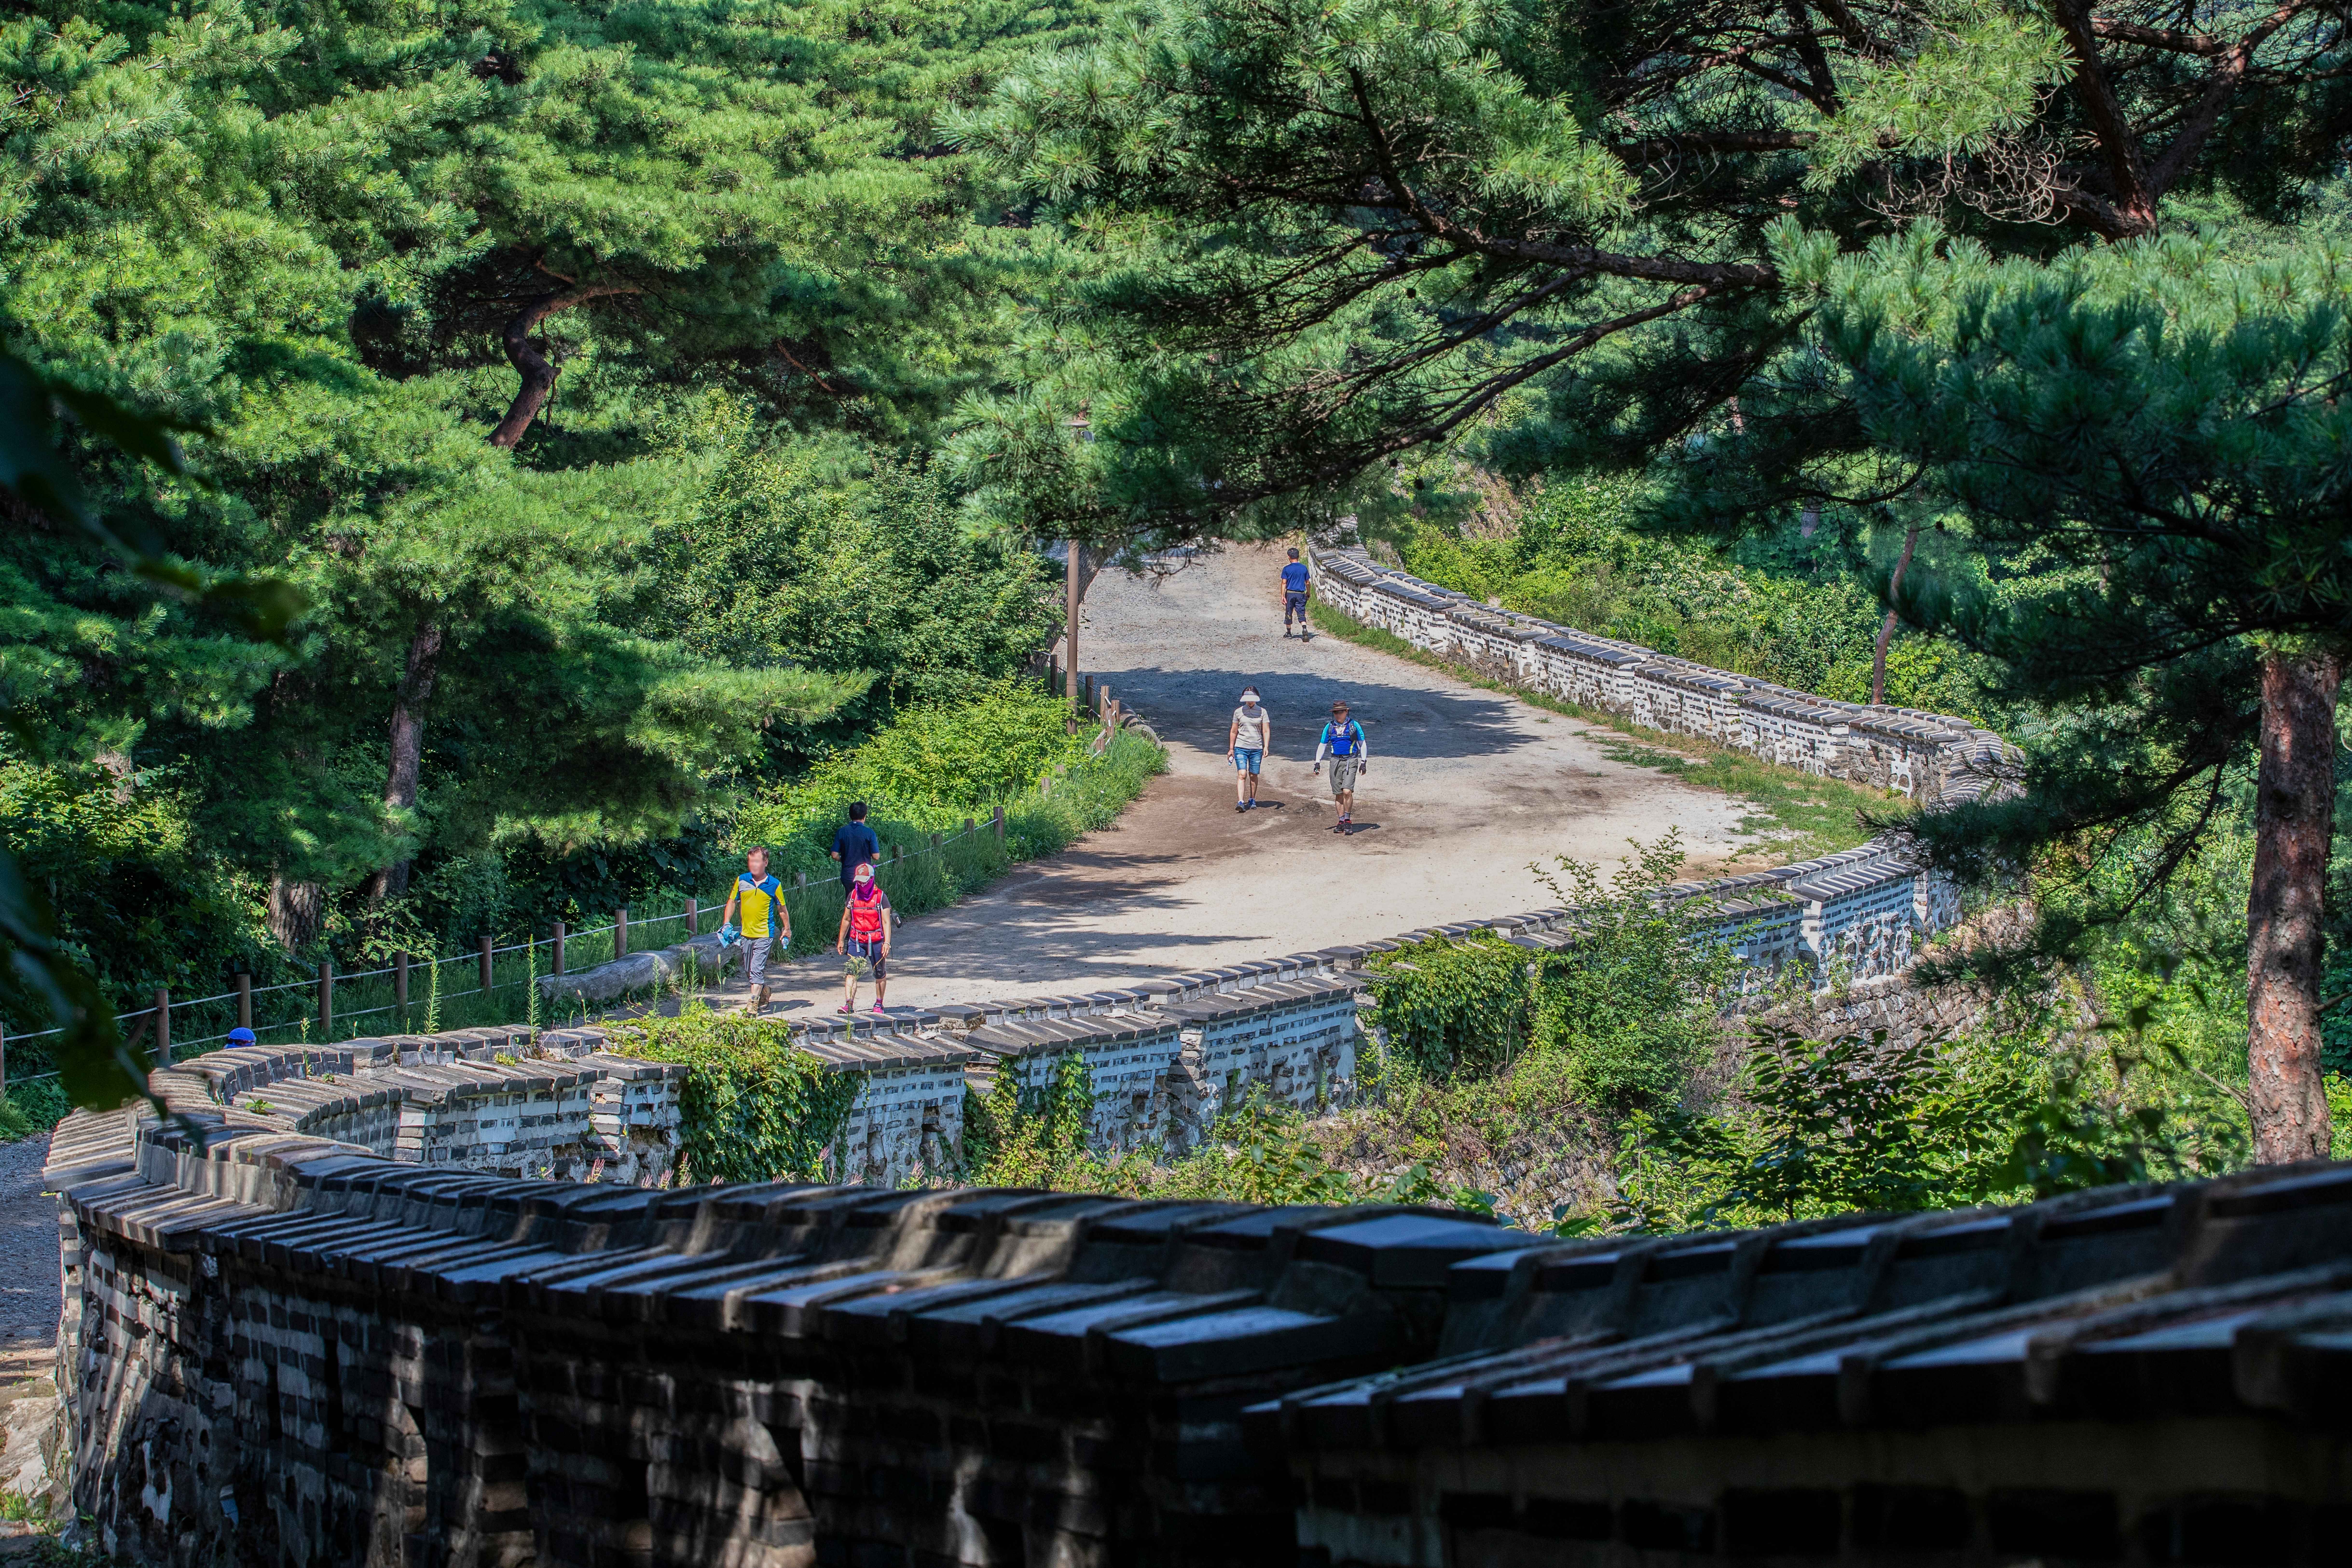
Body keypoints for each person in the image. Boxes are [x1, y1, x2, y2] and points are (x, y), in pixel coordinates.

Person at [719, 846, 789, 1014]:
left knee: (757, 969)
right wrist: (727, 923)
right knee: (750, 971)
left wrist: (787, 929)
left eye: (757, 861)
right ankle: (765, 991)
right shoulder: (742, 880)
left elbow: (782, 909)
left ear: (766, 862)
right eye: (751, 862)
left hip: (765, 934)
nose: (753, 865)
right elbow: (732, 901)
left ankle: (752, 1005)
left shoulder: (775, 884)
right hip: (745, 934)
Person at [836, 861, 893, 1014]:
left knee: (880, 972)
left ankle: (879, 1004)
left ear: (871, 880)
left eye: (864, 881)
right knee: (851, 972)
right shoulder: (853, 896)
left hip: (876, 940)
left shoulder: (881, 897)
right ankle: (849, 1005)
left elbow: (887, 922)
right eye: (858, 881)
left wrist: (887, 942)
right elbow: (847, 919)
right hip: (856, 940)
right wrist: (842, 940)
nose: (861, 884)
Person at [1314, 699, 1369, 832]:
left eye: (1340, 712)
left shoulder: (1354, 726)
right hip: (1335, 762)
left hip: (1351, 761)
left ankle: (1348, 820)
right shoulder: (1330, 727)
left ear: (1346, 712)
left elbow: (1363, 743)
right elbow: (1323, 745)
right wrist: (1317, 763)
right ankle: (1341, 821)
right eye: (1336, 713)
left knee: (1347, 791)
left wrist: (1364, 762)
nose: (1338, 715)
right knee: (1338, 794)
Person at [1227, 686, 1272, 812]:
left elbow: (1266, 730)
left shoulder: (1263, 712)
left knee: (1253, 775)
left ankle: (1252, 799)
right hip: (1241, 747)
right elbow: (1234, 731)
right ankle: (1241, 801)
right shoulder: (1238, 712)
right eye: (1248, 699)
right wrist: (1231, 749)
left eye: (1252, 699)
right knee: (1242, 774)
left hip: (1256, 748)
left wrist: (1266, 746)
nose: (1250, 702)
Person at [830, 802, 881, 893]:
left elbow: (834, 855)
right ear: (865, 816)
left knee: (850, 901)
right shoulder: (869, 833)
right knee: (865, 903)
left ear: (850, 815)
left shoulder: (842, 832)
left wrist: (844, 859)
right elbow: (876, 857)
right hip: (865, 875)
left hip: (848, 875)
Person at [1280, 547, 1312, 639]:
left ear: (1289, 557)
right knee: (1301, 612)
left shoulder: (1287, 569)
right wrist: (1308, 593)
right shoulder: (1304, 568)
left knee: (1289, 612)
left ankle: (1289, 633)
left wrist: (1283, 596)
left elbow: (1284, 583)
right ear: (1298, 557)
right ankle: (1304, 628)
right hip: (1301, 594)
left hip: (1290, 594)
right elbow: (1308, 583)